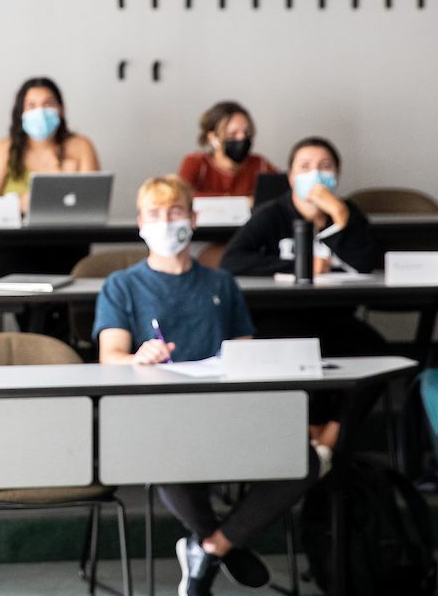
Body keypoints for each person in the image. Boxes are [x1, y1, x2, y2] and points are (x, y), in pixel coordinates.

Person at [95, 175, 318, 596]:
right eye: (156, 215)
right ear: (140, 223)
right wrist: (136, 358)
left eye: (175, 212)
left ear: (193, 219)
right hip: (160, 415)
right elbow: (111, 356)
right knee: (164, 455)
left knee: (303, 459)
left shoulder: (221, 283)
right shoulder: (121, 286)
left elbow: (246, 354)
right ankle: (219, 546)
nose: (166, 222)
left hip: (225, 410)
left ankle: (210, 546)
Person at [221, 136, 385, 357]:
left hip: (334, 316)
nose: (315, 174)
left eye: (325, 166)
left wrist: (339, 220)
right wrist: (300, 265)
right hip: (280, 315)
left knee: (377, 355)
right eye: (305, 167)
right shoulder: (271, 214)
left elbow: (367, 263)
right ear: (291, 178)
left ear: (336, 175)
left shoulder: (347, 212)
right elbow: (232, 260)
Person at [0, 77, 100, 213]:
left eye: (48, 104)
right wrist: (17, 205)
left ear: (60, 109)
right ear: (21, 112)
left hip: (73, 231)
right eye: (31, 105)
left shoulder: (81, 146)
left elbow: (94, 205)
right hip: (17, 233)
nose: (40, 112)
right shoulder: (0, 151)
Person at [178, 101, 277, 199]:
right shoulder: (196, 163)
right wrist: (243, 201)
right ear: (213, 138)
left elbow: (282, 192)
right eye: (232, 134)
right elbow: (182, 196)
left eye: (246, 133)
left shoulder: (259, 164)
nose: (241, 138)